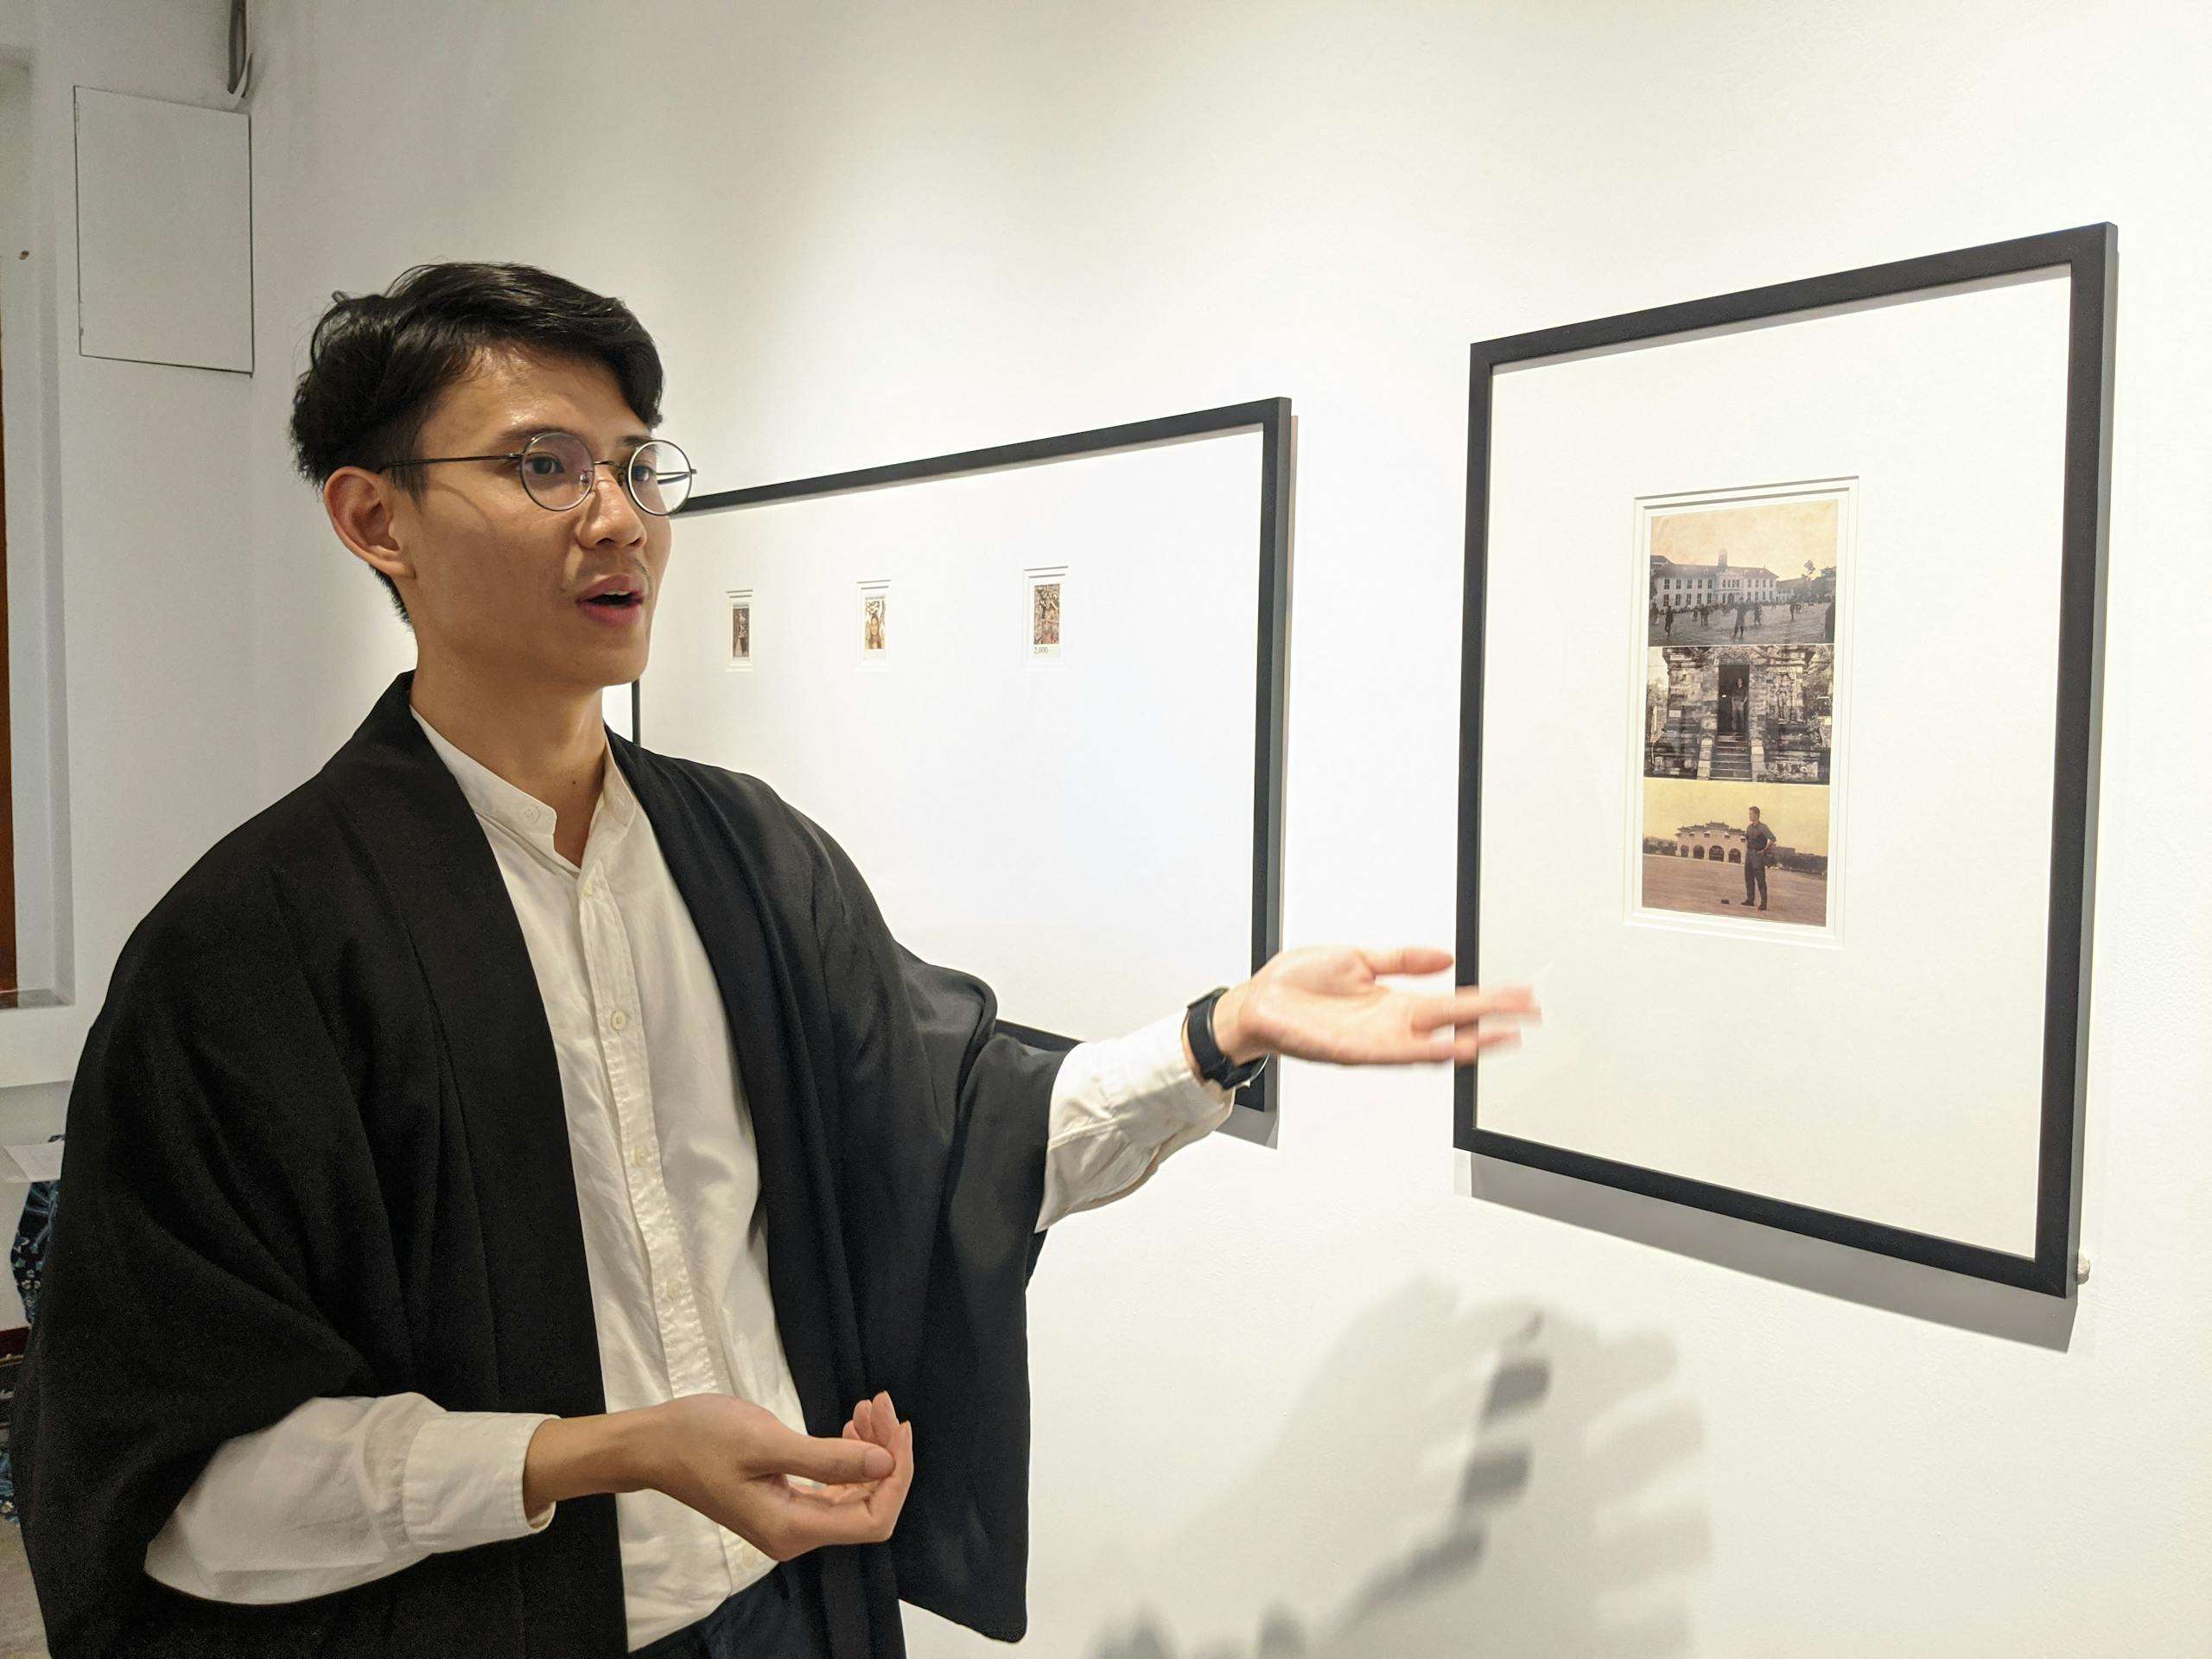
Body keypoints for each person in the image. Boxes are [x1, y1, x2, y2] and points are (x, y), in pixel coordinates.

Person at [8, 264, 1537, 1659]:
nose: (618, 519)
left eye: (635, 465)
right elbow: (186, 1491)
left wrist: (1221, 1032)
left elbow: (958, 1142)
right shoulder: (254, 948)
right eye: (543, 465)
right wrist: (606, 1454)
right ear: (374, 518)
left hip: (795, 1610)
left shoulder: (745, 857)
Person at [1744, 805, 1775, 912]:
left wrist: (1765, 850)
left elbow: (1773, 839)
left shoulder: (1763, 828)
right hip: (1749, 854)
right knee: (1748, 877)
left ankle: (1763, 903)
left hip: (1758, 855)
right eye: (1749, 814)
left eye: (1751, 814)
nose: (1750, 816)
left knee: (1760, 879)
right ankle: (1750, 899)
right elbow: (1747, 838)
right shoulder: (1749, 827)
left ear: (1757, 815)